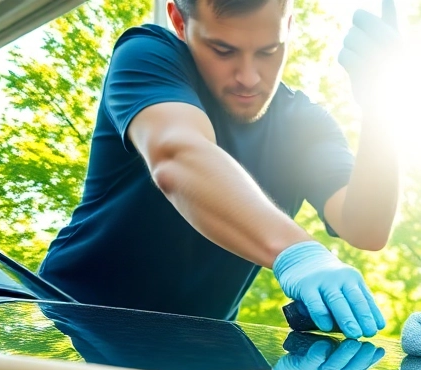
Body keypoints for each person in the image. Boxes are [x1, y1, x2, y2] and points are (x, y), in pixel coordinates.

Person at [39, 0, 401, 339]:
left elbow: (365, 227)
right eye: (223, 50)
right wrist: (299, 254)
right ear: (179, 21)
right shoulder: (148, 55)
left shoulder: (305, 124)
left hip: (199, 344)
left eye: (268, 51)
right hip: (67, 322)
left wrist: (382, 111)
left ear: (289, 27)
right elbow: (177, 157)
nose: (248, 77)